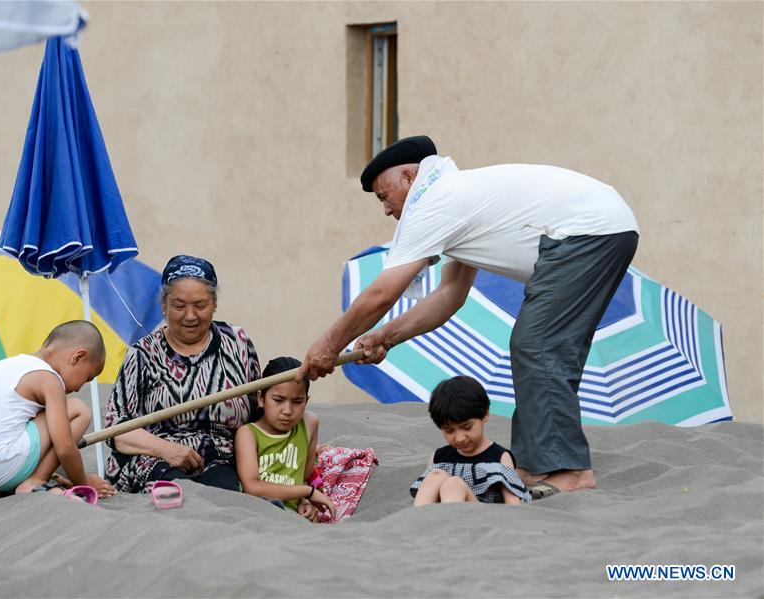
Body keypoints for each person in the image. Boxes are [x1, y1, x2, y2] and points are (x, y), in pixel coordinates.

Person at [300, 135, 639, 495]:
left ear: (410, 178)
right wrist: (386, 336)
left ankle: (570, 471)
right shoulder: (457, 198)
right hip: (602, 227)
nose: (385, 210)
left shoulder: (435, 201)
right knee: (538, 345)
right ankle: (535, 467)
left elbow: (383, 293)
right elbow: (449, 296)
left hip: (587, 232)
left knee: (537, 344)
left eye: (384, 196)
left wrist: (328, 345)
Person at [104, 255, 260, 493]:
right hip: (155, 460)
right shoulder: (143, 354)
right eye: (179, 305)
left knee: (227, 495)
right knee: (176, 492)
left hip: (222, 460)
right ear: (164, 304)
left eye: (200, 305)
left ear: (215, 303)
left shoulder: (237, 343)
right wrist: (168, 450)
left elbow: (258, 412)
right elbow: (117, 431)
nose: (190, 316)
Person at [0, 320, 116, 499]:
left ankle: (3, 485)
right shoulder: (49, 379)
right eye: (87, 377)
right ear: (77, 357)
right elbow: (65, 447)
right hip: (0, 465)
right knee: (79, 410)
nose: (79, 388)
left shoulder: (8, 366)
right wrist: (83, 481)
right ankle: (36, 480)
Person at [235, 357, 336, 521]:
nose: (287, 410)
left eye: (297, 401)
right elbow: (252, 487)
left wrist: (304, 502)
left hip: (293, 515)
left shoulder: (309, 424)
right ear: (261, 398)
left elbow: (304, 476)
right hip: (259, 513)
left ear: (306, 400)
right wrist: (308, 492)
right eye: (278, 400)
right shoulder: (248, 433)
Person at [411, 376, 530, 506]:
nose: (460, 438)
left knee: (454, 483)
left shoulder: (500, 457)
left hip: (478, 516)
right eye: (449, 430)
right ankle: (418, 519)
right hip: (436, 514)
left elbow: (512, 501)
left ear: (485, 414)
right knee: (435, 476)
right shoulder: (439, 457)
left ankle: (449, 521)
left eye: (467, 427)